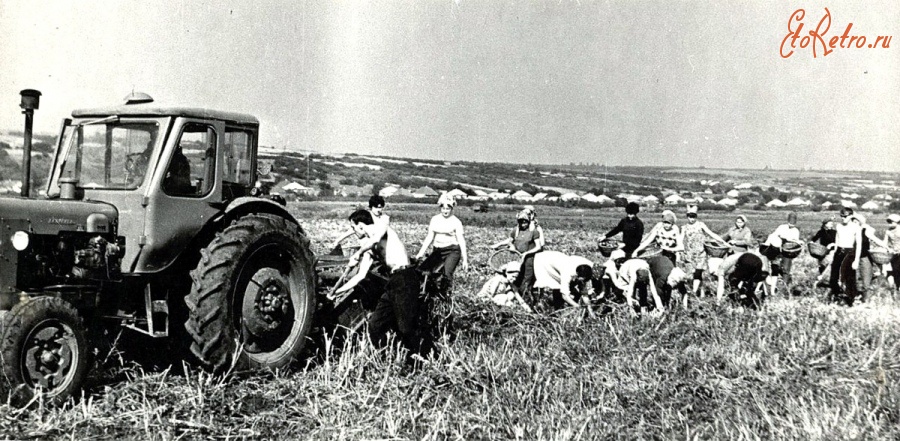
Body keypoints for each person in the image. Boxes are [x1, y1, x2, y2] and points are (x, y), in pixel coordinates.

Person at [334, 210, 430, 355]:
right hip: (393, 282)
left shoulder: (381, 227)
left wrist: (357, 253)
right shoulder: (369, 247)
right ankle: (383, 357)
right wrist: (337, 292)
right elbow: (360, 276)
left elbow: (375, 239)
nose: (353, 232)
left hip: (406, 277)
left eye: (353, 228)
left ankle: (424, 356)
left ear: (360, 225)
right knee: (375, 325)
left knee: (405, 327)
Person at [416, 194, 469, 296]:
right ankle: (428, 295)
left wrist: (465, 260)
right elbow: (429, 237)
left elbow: (461, 240)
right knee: (425, 271)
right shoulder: (435, 219)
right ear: (440, 208)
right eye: (443, 208)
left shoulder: (456, 222)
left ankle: (446, 297)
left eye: (448, 208)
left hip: (452, 250)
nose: (445, 211)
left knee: (446, 274)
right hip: (438, 250)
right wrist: (420, 253)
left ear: (452, 208)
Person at [491, 209, 545, 305]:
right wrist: (500, 245)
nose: (523, 224)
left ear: (528, 221)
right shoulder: (516, 230)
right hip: (517, 260)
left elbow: (538, 246)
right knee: (516, 281)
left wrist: (526, 253)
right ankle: (519, 302)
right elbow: (510, 241)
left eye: (525, 222)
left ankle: (529, 304)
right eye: (521, 222)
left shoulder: (534, 231)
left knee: (526, 283)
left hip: (529, 260)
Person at [680, 205, 729, 299]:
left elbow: (711, 233)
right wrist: (679, 249)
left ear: (696, 216)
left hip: (700, 253)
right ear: (687, 216)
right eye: (690, 216)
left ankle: (694, 292)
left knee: (698, 272)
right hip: (689, 253)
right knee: (691, 274)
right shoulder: (684, 227)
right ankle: (699, 291)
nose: (692, 219)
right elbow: (681, 238)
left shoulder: (700, 225)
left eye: (693, 216)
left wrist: (722, 241)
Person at [532, 250, 600, 316]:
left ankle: (558, 308)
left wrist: (591, 312)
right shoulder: (567, 273)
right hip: (544, 261)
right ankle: (539, 306)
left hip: (558, 260)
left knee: (564, 287)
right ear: (577, 275)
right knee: (555, 286)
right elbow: (564, 295)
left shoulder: (586, 271)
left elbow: (584, 294)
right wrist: (578, 306)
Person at [842, 214, 888, 305]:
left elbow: (876, 240)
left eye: (856, 222)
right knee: (851, 279)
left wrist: (886, 247)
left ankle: (865, 301)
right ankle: (853, 298)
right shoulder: (849, 232)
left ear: (859, 223)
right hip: (851, 257)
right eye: (852, 222)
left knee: (866, 279)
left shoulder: (865, 231)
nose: (854, 223)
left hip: (864, 257)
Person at [762, 212, 803, 288]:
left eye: (793, 224)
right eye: (790, 223)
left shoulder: (796, 231)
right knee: (775, 266)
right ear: (788, 221)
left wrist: (794, 241)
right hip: (777, 249)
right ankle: (774, 283)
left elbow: (795, 241)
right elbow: (774, 235)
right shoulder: (782, 227)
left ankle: (785, 285)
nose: (791, 225)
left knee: (786, 267)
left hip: (788, 251)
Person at [829, 207, 861, 302]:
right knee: (834, 276)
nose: (843, 218)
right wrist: (833, 253)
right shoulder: (839, 226)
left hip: (850, 252)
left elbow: (858, 244)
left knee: (849, 276)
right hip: (839, 251)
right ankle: (836, 296)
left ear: (851, 216)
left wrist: (856, 260)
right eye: (841, 216)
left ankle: (851, 298)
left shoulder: (856, 227)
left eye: (845, 216)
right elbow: (837, 239)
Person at [809, 219, 837, 285]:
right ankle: (823, 282)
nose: (832, 224)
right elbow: (814, 239)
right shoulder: (821, 232)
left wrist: (833, 244)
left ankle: (825, 280)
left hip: (831, 251)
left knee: (830, 264)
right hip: (822, 251)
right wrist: (811, 244)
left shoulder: (834, 232)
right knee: (822, 266)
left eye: (832, 223)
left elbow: (838, 241)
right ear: (825, 224)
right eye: (830, 223)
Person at [883, 214, 900, 293]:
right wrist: (886, 248)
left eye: (891, 221)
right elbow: (885, 242)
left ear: (897, 222)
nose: (889, 223)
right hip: (893, 253)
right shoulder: (888, 231)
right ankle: (896, 288)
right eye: (888, 221)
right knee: (894, 270)